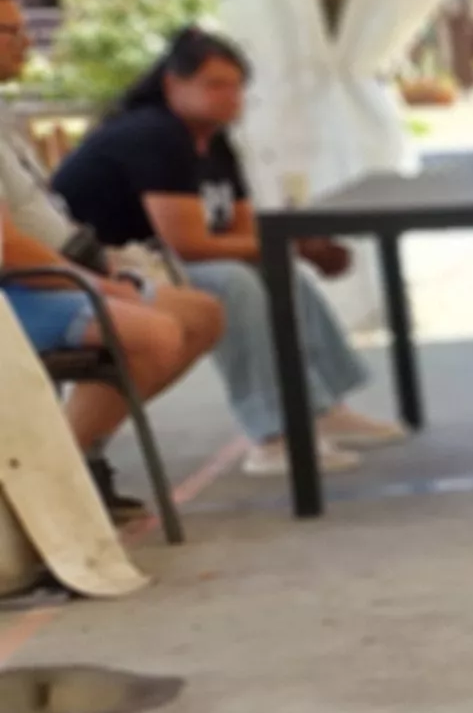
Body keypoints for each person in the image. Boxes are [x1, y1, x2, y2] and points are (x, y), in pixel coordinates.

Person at [46, 26, 405, 477]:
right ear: (173, 85)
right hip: (99, 270)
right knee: (232, 284)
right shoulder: (153, 135)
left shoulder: (214, 141)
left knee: (278, 272)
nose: (230, 97)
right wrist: (294, 243)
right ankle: (271, 434)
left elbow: (240, 229)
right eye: (215, 85)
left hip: (156, 265)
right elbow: (189, 243)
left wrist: (289, 249)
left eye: (237, 86)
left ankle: (320, 405)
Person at [4, 136, 218, 519]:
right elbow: (10, 249)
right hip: (18, 288)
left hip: (53, 268)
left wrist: (101, 269)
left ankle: (72, 462)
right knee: (154, 333)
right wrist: (104, 287)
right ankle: (44, 484)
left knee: (201, 314)